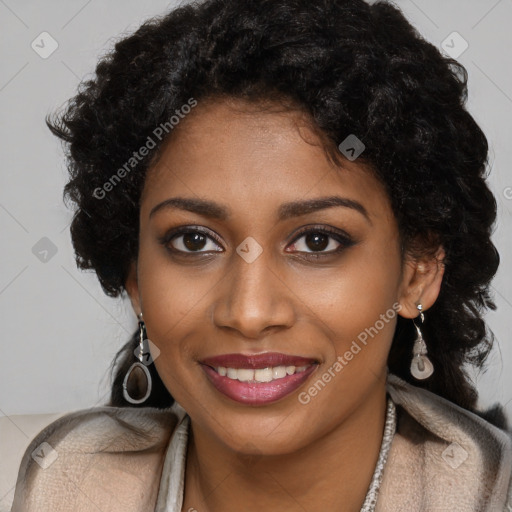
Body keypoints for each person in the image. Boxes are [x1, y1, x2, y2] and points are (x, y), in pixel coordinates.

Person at [11, 0, 512, 510]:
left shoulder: (488, 494)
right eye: (194, 240)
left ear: (417, 272)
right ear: (135, 277)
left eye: (317, 241)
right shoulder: (72, 483)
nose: (249, 313)